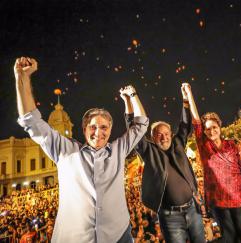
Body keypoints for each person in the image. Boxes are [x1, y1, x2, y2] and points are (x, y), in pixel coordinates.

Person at [15, 57, 149, 243]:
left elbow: (141, 125)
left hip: (119, 236)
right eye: (93, 127)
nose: (98, 133)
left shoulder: (118, 150)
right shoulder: (65, 150)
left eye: (104, 127)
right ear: (84, 129)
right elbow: (31, 121)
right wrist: (22, 78)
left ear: (110, 130)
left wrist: (132, 96)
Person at [124, 83, 205, 243]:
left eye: (167, 133)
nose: (164, 137)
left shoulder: (178, 144)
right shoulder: (149, 152)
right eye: (159, 135)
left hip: (193, 210)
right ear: (153, 138)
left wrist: (185, 98)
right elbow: (135, 130)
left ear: (171, 134)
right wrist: (130, 99)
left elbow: (185, 123)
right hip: (170, 217)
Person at [183, 84, 241, 243]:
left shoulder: (232, 144)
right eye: (208, 129)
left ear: (220, 127)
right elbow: (196, 120)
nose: (211, 131)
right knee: (228, 236)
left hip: (238, 196)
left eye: (214, 127)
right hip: (218, 198)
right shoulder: (204, 146)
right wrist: (189, 93)